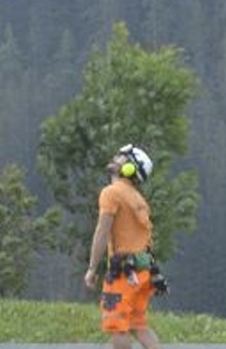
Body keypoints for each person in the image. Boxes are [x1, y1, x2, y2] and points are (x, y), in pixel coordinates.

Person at [84, 144, 164, 349]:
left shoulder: (111, 193)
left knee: (117, 325)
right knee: (139, 325)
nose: (115, 157)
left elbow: (102, 232)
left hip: (123, 272)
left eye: (121, 157)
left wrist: (92, 268)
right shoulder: (138, 198)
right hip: (144, 270)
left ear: (129, 168)